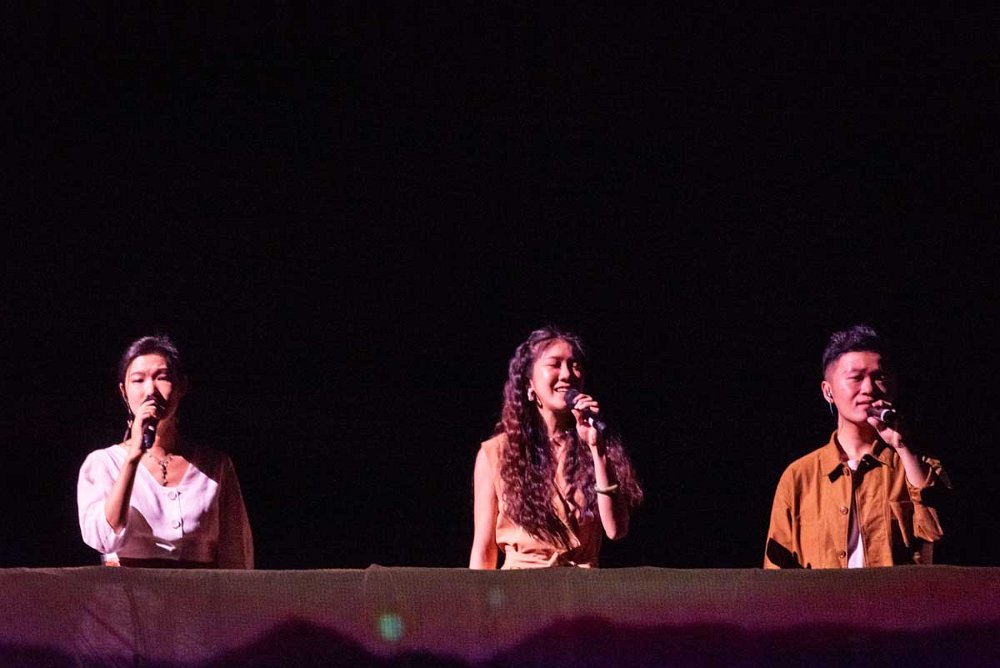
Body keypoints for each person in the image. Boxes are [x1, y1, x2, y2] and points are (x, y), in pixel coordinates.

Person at [764, 324, 948, 569]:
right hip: (823, 596)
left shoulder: (918, 465)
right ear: (828, 391)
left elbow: (940, 536)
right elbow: (776, 570)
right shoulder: (799, 477)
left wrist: (903, 447)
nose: (869, 389)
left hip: (894, 595)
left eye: (879, 377)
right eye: (856, 378)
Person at [469, 326, 643, 569]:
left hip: (581, 587)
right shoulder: (497, 453)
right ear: (529, 383)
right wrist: (477, 594)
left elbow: (616, 530)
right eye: (554, 364)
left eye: (574, 365)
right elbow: (483, 549)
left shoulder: (595, 445)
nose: (567, 374)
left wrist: (597, 449)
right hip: (520, 586)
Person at [77, 335, 254, 568]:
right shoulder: (103, 463)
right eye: (138, 380)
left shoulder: (215, 465)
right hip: (129, 590)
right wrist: (133, 458)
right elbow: (104, 539)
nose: (150, 390)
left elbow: (236, 553)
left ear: (182, 386)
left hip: (200, 590)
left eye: (162, 377)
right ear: (123, 391)